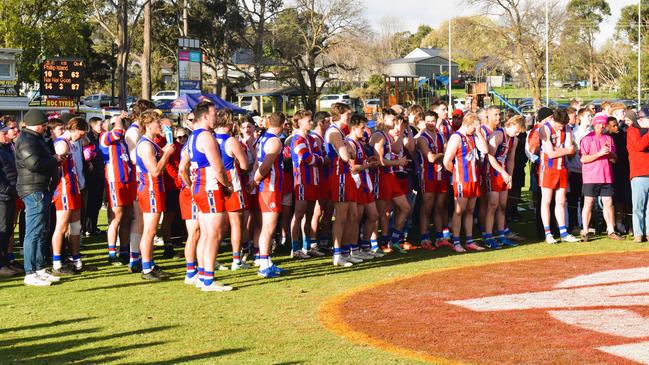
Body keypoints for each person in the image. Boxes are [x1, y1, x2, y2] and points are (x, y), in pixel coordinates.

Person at [189, 101, 234, 291]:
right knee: (213, 234)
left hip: (199, 187)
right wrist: (228, 186)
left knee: (206, 234)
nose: (216, 117)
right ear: (205, 116)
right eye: (214, 113)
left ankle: (201, 275)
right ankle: (208, 279)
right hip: (209, 187)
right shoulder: (206, 136)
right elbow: (218, 167)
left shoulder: (194, 136)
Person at [15, 109, 61, 286]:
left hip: (40, 187)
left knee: (42, 230)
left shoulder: (34, 139)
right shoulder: (27, 140)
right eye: (44, 125)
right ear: (38, 124)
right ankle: (30, 272)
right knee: (33, 232)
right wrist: (54, 158)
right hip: (33, 189)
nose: (46, 128)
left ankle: (40, 268)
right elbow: (33, 164)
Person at [135, 110, 175, 281]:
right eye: (157, 122)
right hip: (150, 189)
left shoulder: (152, 143)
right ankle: (146, 268)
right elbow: (155, 171)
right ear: (148, 124)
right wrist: (167, 153)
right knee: (150, 230)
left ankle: (149, 263)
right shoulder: (146, 145)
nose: (161, 125)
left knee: (151, 230)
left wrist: (164, 151)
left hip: (155, 189)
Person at [442, 112, 489, 252]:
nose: (475, 130)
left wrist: (479, 133)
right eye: (474, 127)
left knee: (469, 211)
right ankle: (456, 241)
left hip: (474, 179)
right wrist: (457, 174)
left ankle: (469, 240)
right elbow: (447, 161)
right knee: (459, 211)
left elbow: (485, 150)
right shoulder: (456, 137)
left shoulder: (473, 136)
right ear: (468, 124)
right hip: (462, 180)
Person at [249, 112, 288, 276]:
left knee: (266, 226)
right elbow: (264, 167)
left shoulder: (264, 138)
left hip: (268, 187)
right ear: (283, 124)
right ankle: (264, 265)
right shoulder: (274, 141)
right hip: (269, 187)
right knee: (268, 227)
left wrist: (253, 178)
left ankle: (266, 261)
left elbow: (257, 163)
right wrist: (255, 181)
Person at [100, 112, 137, 270]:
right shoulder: (106, 137)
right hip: (115, 182)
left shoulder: (122, 142)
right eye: (119, 123)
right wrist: (119, 118)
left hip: (128, 181)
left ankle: (124, 249)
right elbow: (117, 132)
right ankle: (111, 253)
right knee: (116, 218)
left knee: (128, 217)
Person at [214, 108, 251, 270]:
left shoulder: (209, 137)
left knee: (216, 224)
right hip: (231, 181)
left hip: (213, 180)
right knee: (236, 223)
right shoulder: (231, 141)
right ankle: (236, 259)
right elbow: (244, 165)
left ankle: (212, 258)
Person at [370, 109, 411, 254]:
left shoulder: (386, 135)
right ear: (382, 119)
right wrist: (397, 162)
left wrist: (401, 131)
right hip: (381, 177)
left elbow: (397, 148)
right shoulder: (378, 135)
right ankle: (378, 243)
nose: (395, 122)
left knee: (405, 208)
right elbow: (379, 161)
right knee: (381, 213)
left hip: (390, 176)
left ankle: (393, 240)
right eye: (392, 120)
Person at [51, 117, 88, 275]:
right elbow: (56, 166)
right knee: (62, 226)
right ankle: (57, 262)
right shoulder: (62, 143)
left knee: (75, 226)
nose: (81, 137)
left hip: (74, 188)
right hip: (64, 188)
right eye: (80, 133)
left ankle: (76, 259)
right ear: (73, 129)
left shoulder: (71, 143)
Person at [483, 115, 526, 248]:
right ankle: (488, 236)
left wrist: (510, 176)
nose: (517, 133)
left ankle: (501, 235)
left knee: (502, 206)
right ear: (510, 124)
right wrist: (503, 172)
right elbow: (490, 156)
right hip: (493, 172)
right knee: (492, 205)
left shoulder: (514, 140)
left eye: (519, 132)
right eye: (517, 130)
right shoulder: (498, 134)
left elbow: (511, 159)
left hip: (504, 173)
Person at [579, 113, 623, 242]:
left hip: (606, 176)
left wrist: (610, 154)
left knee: (608, 203)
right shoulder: (587, 139)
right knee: (589, 202)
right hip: (591, 177)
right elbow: (583, 159)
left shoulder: (609, 139)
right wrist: (599, 154)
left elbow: (615, 160)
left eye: (603, 124)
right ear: (594, 124)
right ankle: (585, 231)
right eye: (598, 123)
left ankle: (611, 230)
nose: (601, 126)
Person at [538, 108, 579, 243]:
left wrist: (562, 150)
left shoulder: (566, 128)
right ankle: (548, 233)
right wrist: (565, 150)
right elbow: (551, 153)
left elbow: (570, 149)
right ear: (553, 120)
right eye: (560, 124)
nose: (561, 127)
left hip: (562, 168)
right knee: (546, 200)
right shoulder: (545, 129)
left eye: (563, 125)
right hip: (548, 168)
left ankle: (563, 232)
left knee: (561, 201)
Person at [289, 110, 323, 259]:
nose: (311, 122)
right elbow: (310, 159)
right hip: (302, 182)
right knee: (299, 214)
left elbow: (319, 155)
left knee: (309, 215)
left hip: (314, 182)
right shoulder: (297, 140)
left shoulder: (311, 139)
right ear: (300, 122)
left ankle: (306, 246)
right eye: (308, 120)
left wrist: (318, 159)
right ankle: (295, 248)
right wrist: (318, 159)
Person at [346, 113, 381, 258]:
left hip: (365, 183)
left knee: (373, 215)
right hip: (357, 183)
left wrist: (369, 160)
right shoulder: (349, 143)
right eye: (362, 127)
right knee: (356, 218)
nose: (364, 130)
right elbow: (352, 167)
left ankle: (366, 247)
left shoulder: (358, 142)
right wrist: (367, 165)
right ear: (354, 128)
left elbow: (360, 162)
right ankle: (354, 249)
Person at [416, 110, 451, 250]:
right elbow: (430, 158)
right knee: (427, 207)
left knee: (440, 207)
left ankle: (439, 237)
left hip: (441, 175)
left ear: (437, 121)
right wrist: (444, 154)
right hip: (428, 176)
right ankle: (424, 238)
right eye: (428, 121)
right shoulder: (422, 138)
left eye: (433, 121)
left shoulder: (441, 136)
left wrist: (441, 155)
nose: (430, 123)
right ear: (424, 122)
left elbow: (448, 152)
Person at [627, 108, 649, 242]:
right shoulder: (632, 130)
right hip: (639, 173)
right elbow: (640, 146)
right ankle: (638, 233)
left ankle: (647, 232)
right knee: (638, 206)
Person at [0, 121, 18, 277]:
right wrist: (6, 190)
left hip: (11, 194)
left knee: (8, 231)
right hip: (3, 197)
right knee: (3, 230)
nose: (7, 135)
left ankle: (6, 262)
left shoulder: (7, 148)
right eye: (4, 132)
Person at [83, 116, 105, 236]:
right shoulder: (88, 139)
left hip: (100, 173)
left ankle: (93, 227)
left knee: (97, 203)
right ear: (92, 126)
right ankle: (87, 227)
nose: (102, 127)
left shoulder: (100, 137)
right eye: (99, 125)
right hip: (91, 175)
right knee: (90, 203)